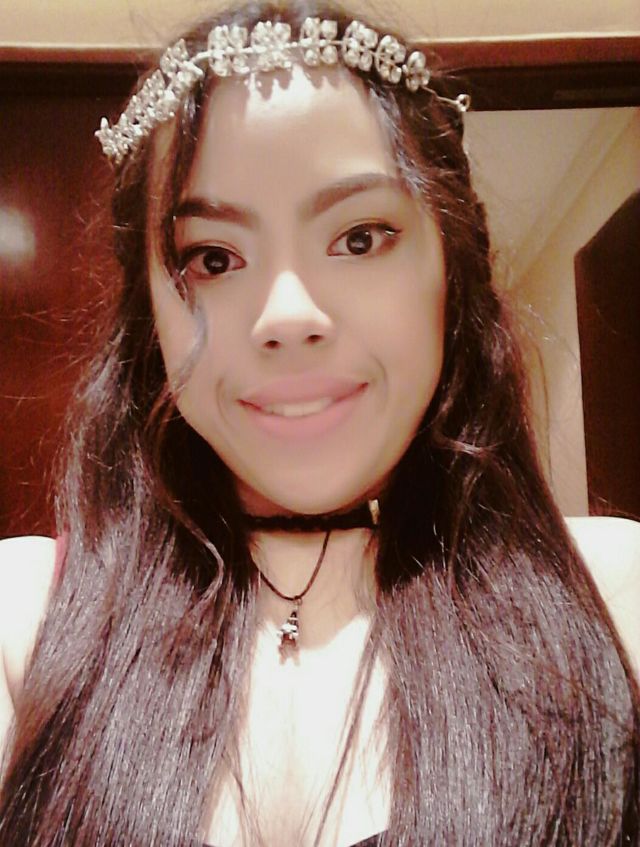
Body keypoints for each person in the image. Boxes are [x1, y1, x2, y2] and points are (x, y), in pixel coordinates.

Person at [0, 1, 639, 844]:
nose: (288, 315)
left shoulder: (613, 599)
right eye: (213, 258)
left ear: (452, 268)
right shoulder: (26, 620)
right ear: (149, 315)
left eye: (361, 237)